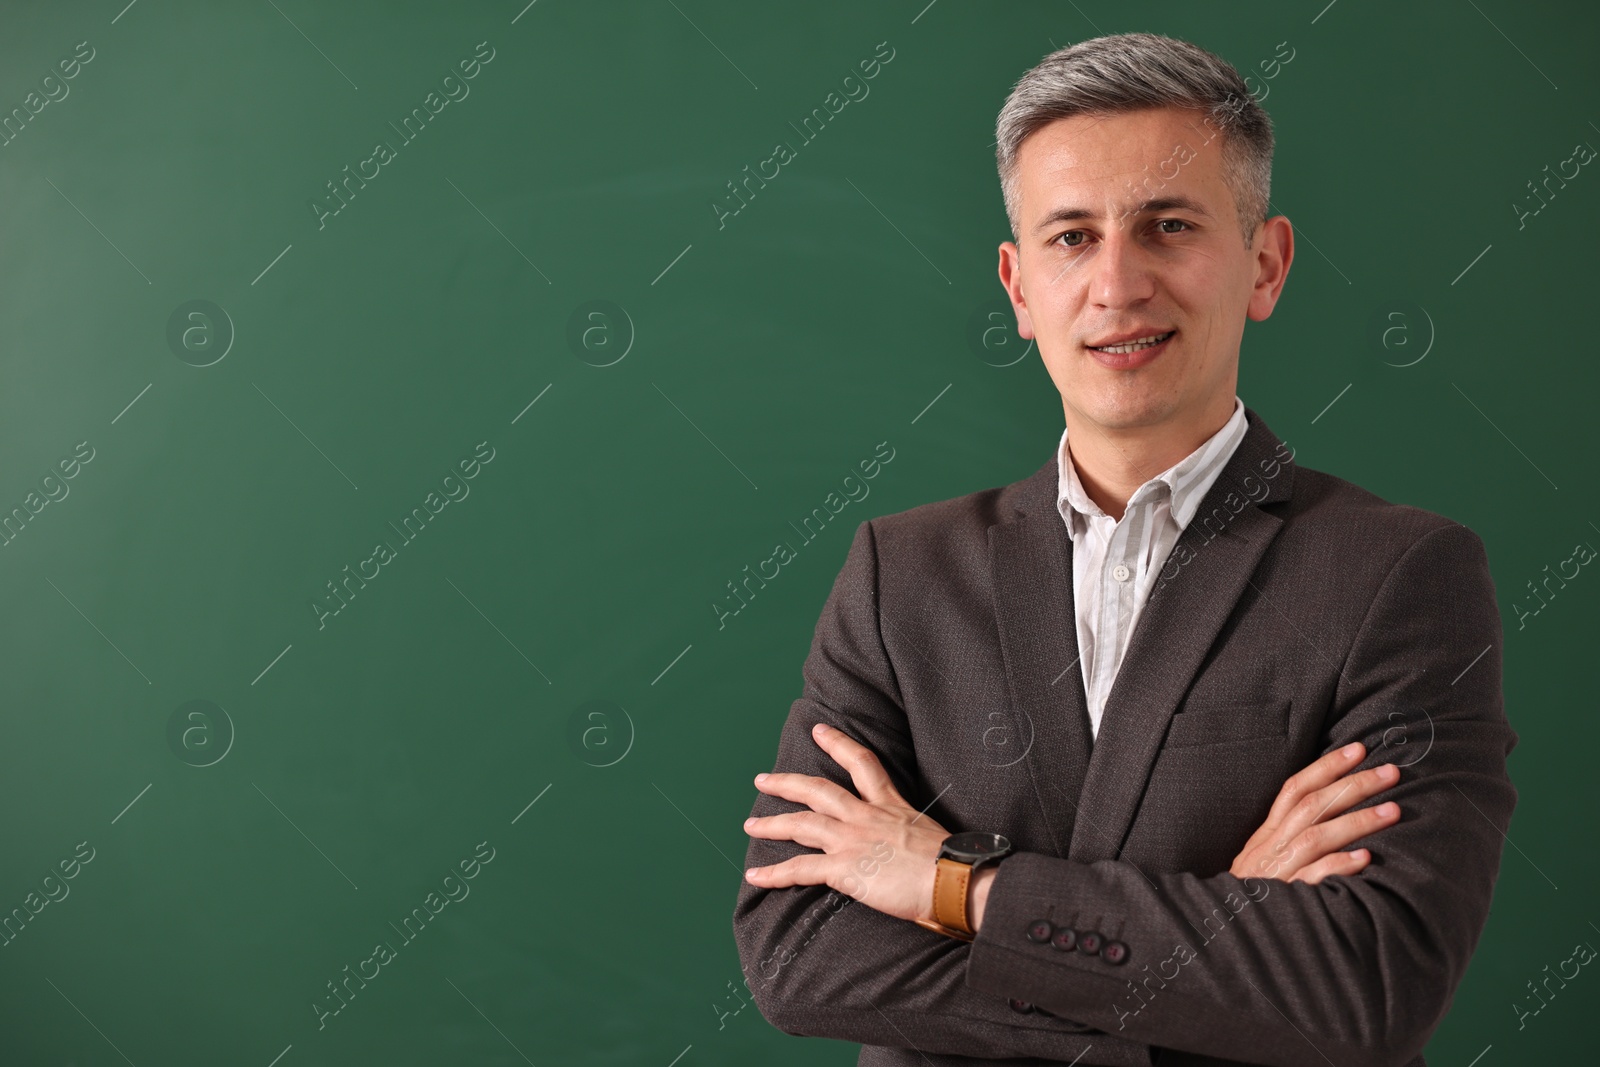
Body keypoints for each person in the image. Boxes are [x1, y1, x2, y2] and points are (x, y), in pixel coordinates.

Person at [731, 31, 1517, 1067]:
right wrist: (1223, 947)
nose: (1116, 282)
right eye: (1070, 236)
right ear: (1017, 287)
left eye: (1168, 226)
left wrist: (952, 883)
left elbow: (1369, 981)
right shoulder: (899, 574)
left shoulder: (1400, 576)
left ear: (1265, 264)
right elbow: (799, 952)